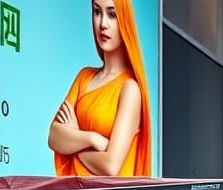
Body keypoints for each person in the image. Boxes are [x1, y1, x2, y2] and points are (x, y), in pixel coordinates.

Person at [49, 0, 152, 177]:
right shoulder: (84, 77)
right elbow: (54, 136)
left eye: (112, 14)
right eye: (97, 12)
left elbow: (110, 166)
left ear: (125, 21)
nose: (102, 24)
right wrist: (92, 139)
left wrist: (74, 143)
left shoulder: (129, 89)